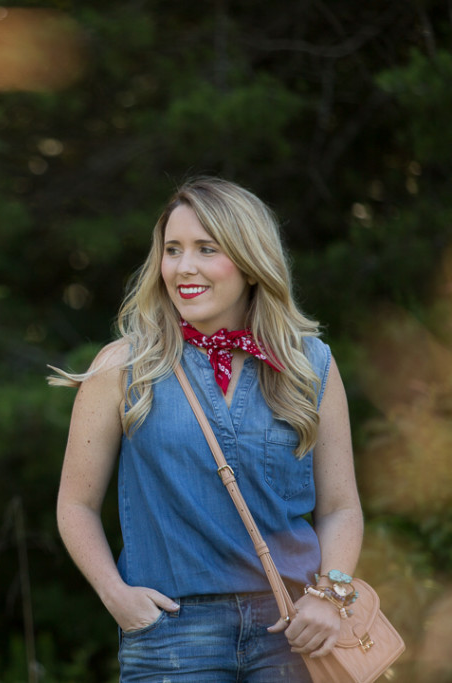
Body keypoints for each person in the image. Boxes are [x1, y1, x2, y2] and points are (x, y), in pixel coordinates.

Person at [51, 177, 363, 681]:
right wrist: (117, 596)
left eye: (206, 249)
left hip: (293, 632)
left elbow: (341, 507)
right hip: (172, 635)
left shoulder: (309, 364)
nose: (183, 267)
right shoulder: (124, 366)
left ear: (250, 261)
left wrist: (331, 596)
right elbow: (75, 504)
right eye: (172, 250)